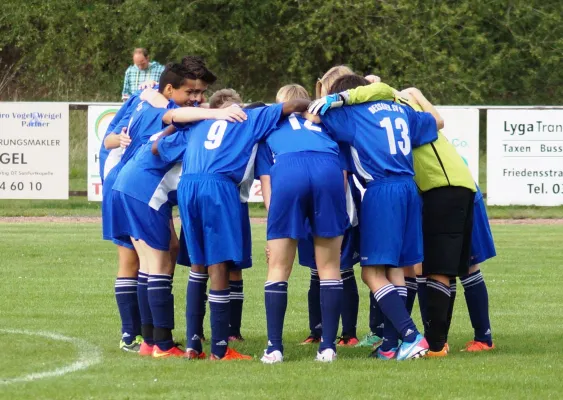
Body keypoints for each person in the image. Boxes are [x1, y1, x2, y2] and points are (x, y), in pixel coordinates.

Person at [313, 79, 477, 357]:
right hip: (411, 190)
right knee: (397, 270)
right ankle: (390, 346)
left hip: (382, 190)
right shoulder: (398, 108)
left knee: (371, 272)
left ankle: (411, 335)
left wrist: (331, 99)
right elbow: (434, 123)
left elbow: (315, 117)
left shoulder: (352, 113)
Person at [153, 92, 311, 361]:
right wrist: (321, 105)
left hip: (188, 186)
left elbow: (158, 146)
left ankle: (193, 344)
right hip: (218, 187)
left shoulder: (199, 121)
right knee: (220, 266)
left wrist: (190, 117)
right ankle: (219, 349)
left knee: (198, 264)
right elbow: (294, 104)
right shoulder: (248, 117)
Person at [110, 95, 246, 358]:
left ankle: (150, 341)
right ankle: (162, 344)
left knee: (150, 266)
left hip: (126, 185)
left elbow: (156, 145)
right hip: (144, 192)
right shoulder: (197, 135)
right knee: (159, 266)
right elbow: (158, 150)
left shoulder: (180, 129)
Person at [102, 62, 217, 352]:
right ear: (169, 88)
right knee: (150, 262)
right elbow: (112, 139)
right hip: (138, 182)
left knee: (164, 253)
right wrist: (219, 113)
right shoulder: (160, 105)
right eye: (192, 92)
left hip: (132, 182)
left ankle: (147, 338)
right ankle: (151, 340)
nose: (197, 99)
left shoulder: (147, 97)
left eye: (201, 93)